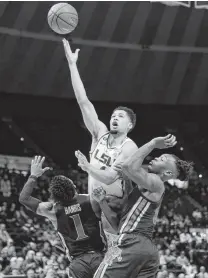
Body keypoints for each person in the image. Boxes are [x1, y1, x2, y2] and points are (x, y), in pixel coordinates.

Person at [76, 135, 193, 278]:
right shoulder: (143, 191)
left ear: (168, 173)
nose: (156, 157)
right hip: (145, 250)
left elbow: (128, 166)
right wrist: (103, 201)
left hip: (132, 243)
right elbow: (118, 226)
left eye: (162, 159)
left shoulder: (157, 182)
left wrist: (153, 143)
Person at [62, 39, 138, 218]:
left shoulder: (129, 147)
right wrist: (72, 65)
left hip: (114, 209)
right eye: (113, 115)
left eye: (120, 116)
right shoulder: (100, 134)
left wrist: (88, 167)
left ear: (130, 125)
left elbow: (111, 177)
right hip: (93, 203)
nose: (114, 118)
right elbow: (83, 101)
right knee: (57, 210)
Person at [19, 156, 105, 278]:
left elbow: (24, 198)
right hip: (99, 257)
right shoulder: (91, 199)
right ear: (74, 186)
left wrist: (33, 175)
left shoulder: (52, 210)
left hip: (78, 263)